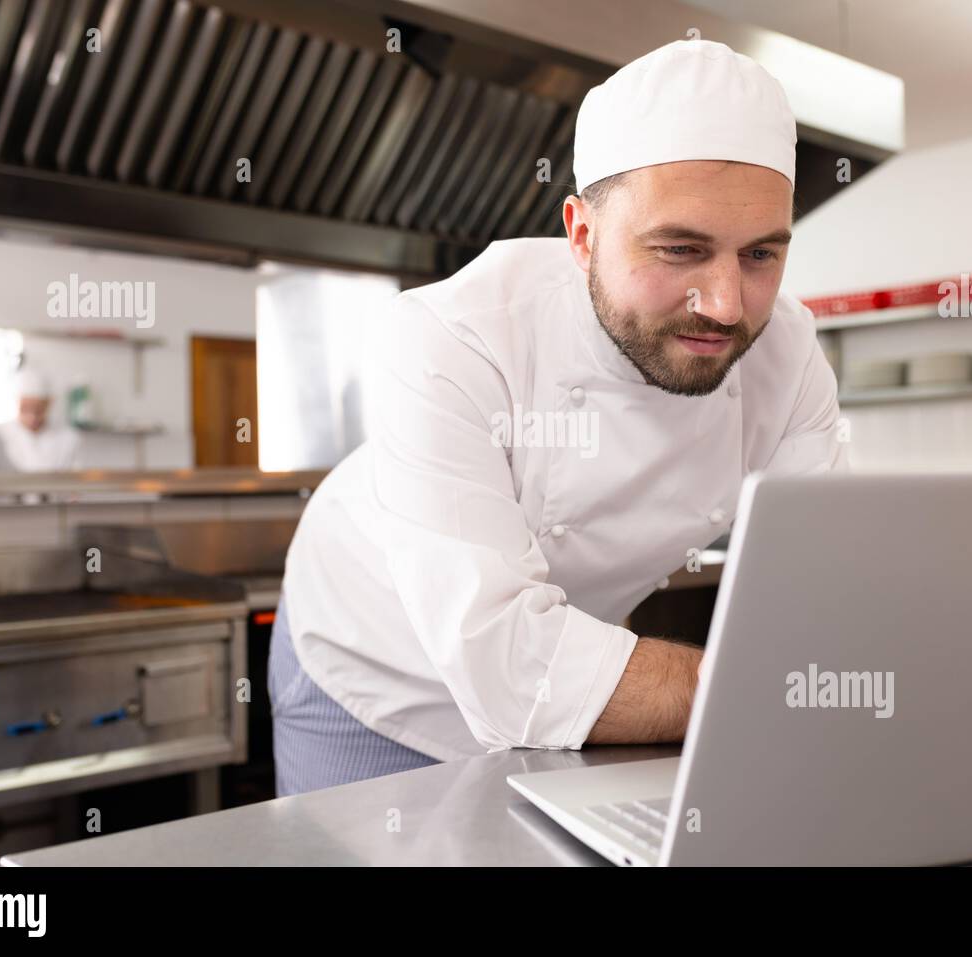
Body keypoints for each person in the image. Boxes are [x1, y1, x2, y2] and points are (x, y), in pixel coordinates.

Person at [272, 39, 848, 795]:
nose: (727, 305)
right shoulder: (451, 337)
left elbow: (825, 592)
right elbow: (507, 660)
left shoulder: (789, 352)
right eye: (680, 250)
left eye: (761, 256)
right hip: (374, 672)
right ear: (581, 236)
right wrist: (759, 688)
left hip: (574, 686)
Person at [0, 369, 83, 471]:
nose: (32, 417)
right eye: (25, 409)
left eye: (39, 410)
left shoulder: (69, 439)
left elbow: (73, 480)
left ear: (49, 404)